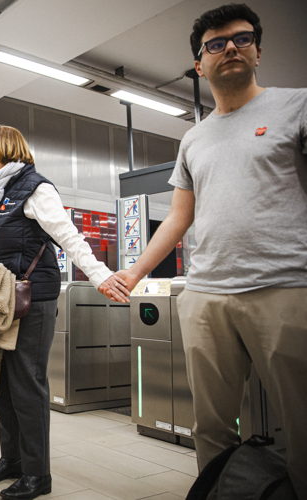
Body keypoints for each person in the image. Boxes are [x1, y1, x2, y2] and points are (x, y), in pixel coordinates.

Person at [109, 5, 307, 497]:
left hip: (285, 286)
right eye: (216, 44)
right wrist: (134, 272)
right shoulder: (194, 138)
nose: (230, 48)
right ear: (200, 65)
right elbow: (179, 217)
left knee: (302, 421)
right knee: (211, 428)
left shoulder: (297, 106)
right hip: (205, 294)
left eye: (242, 38)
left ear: (258, 50)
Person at [0, 125, 122, 500]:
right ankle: (12, 460)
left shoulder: (35, 188)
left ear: (2, 149)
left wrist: (100, 275)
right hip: (0, 296)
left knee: (27, 383)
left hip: (31, 299)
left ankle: (37, 474)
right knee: (4, 384)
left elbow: (69, 236)